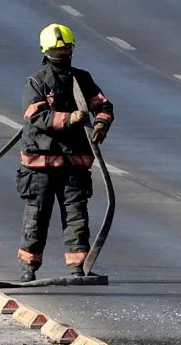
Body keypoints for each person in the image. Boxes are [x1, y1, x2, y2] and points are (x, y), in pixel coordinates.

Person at [17, 24, 113, 282]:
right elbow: (37, 116)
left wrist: (102, 123)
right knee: (37, 216)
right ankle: (29, 267)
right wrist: (70, 118)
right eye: (58, 49)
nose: (63, 52)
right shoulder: (37, 81)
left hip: (74, 163)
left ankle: (78, 267)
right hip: (41, 166)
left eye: (66, 48)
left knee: (77, 216)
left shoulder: (82, 79)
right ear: (47, 51)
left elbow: (102, 104)